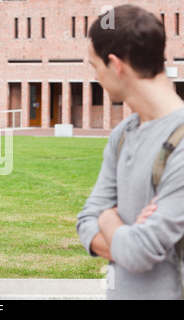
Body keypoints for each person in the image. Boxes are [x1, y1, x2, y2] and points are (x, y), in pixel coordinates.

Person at [76, 4, 184, 299]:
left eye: (95, 66)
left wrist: (109, 219)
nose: (95, 76)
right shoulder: (123, 134)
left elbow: (138, 253)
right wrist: (128, 237)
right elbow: (85, 219)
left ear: (116, 65)